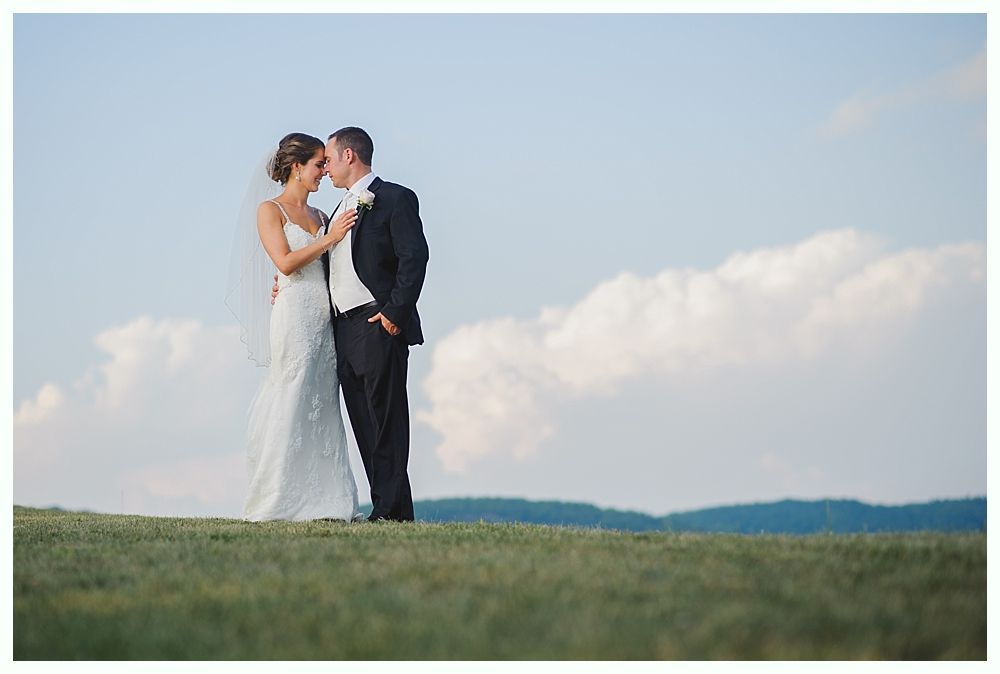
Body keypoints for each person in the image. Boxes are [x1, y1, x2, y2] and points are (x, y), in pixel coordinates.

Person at [274, 126, 429, 521]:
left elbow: (414, 259)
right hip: (341, 329)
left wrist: (394, 315)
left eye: (328, 158)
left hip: (378, 321)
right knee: (363, 420)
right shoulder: (332, 215)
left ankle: (395, 513)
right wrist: (285, 283)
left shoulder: (395, 198)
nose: (324, 168)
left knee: (387, 419)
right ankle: (384, 508)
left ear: (348, 156)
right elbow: (322, 263)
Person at [226, 132, 361, 521]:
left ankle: (328, 498)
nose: (325, 171)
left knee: (322, 398)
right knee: (292, 391)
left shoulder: (321, 216)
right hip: (294, 314)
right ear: (297, 167)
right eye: (319, 164)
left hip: (324, 316)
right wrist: (330, 239)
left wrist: (329, 237)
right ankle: (278, 496)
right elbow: (284, 262)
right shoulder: (271, 211)